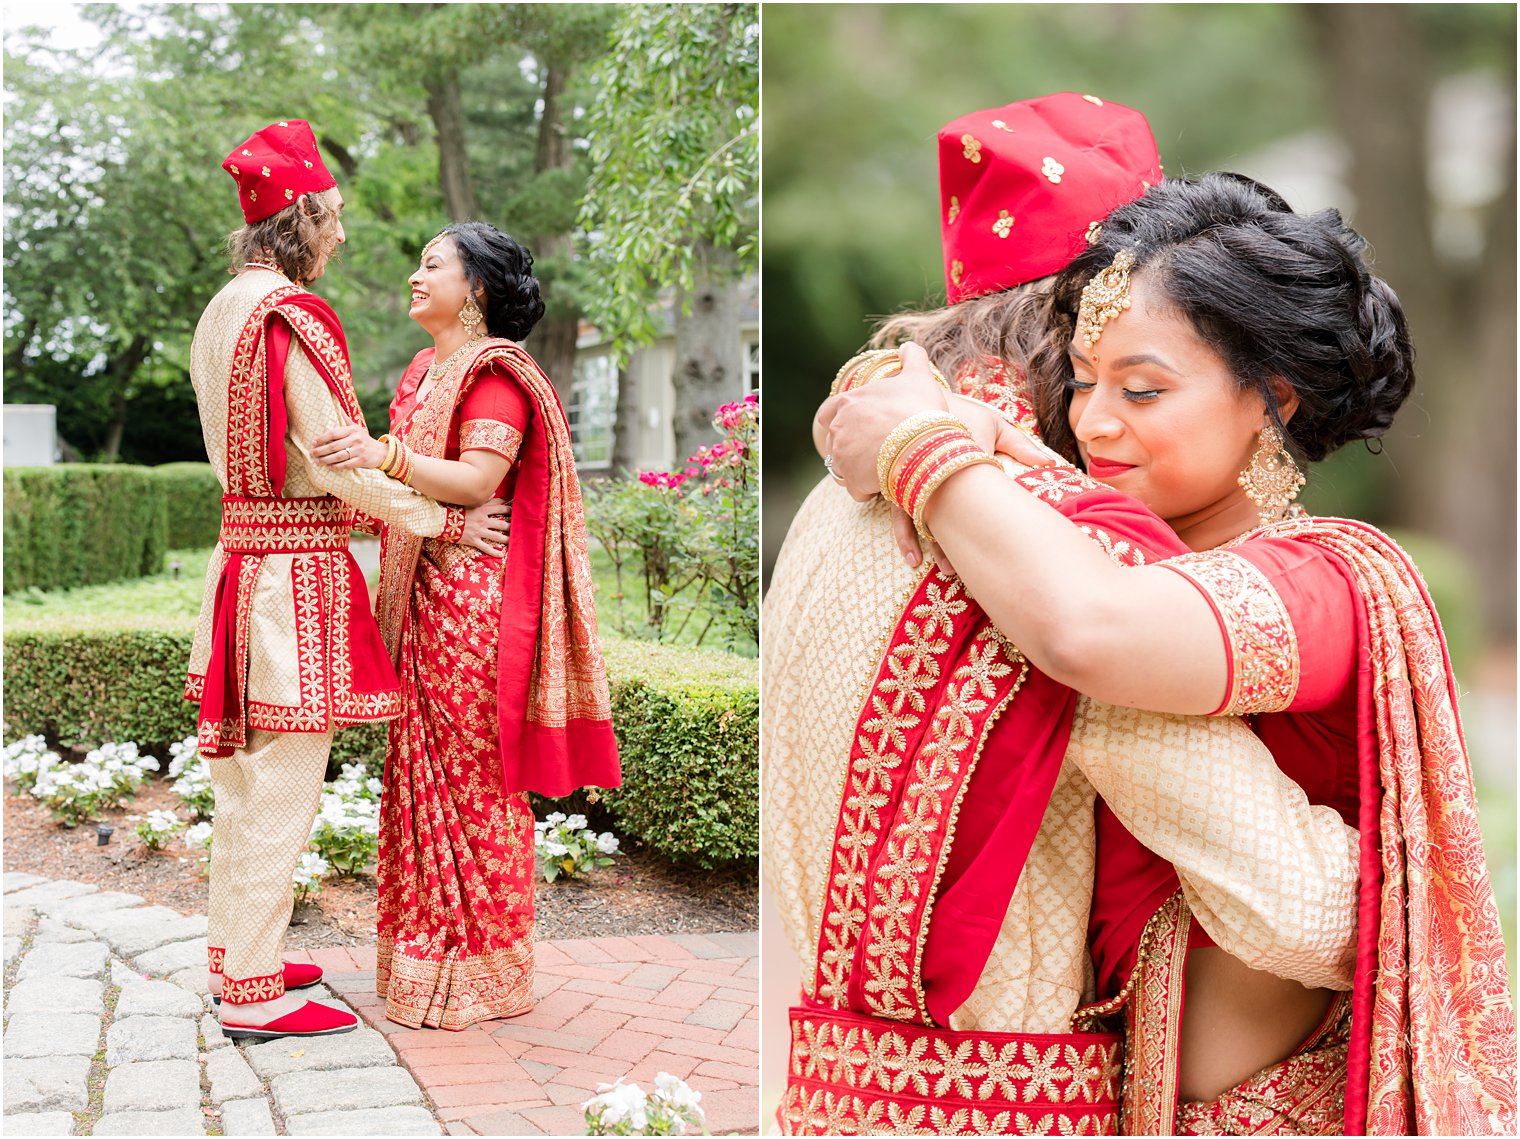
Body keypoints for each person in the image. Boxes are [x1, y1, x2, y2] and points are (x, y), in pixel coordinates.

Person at [818, 171, 1515, 1132]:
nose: (1097, 420)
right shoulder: (1088, 544)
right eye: (1086, 379)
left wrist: (924, 450)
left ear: (1274, 397)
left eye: (1143, 388)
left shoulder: (1320, 585)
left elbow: (1092, 630)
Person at [766, 95, 1364, 1137]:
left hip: (822, 1089)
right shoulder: (1038, 560)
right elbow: (1303, 907)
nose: (1096, 421)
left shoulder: (836, 498)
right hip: (1014, 1103)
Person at [187, 120, 507, 1040]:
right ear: (301, 219)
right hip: (294, 580)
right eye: (331, 219)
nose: (340, 237)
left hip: (239, 562)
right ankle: (253, 994)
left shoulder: (221, 311)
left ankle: (234, 953)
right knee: (284, 785)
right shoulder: (293, 315)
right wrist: (440, 519)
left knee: (243, 782)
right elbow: (336, 457)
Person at [312, 221, 621, 1030]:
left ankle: (483, 972)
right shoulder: (425, 369)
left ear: (476, 289)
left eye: (432, 265)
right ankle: (424, 959)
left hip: (472, 605)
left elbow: (479, 477)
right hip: (419, 595)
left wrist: (384, 458)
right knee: (419, 778)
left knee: (475, 783)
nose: (417, 277)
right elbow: (421, 488)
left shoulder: (497, 375)